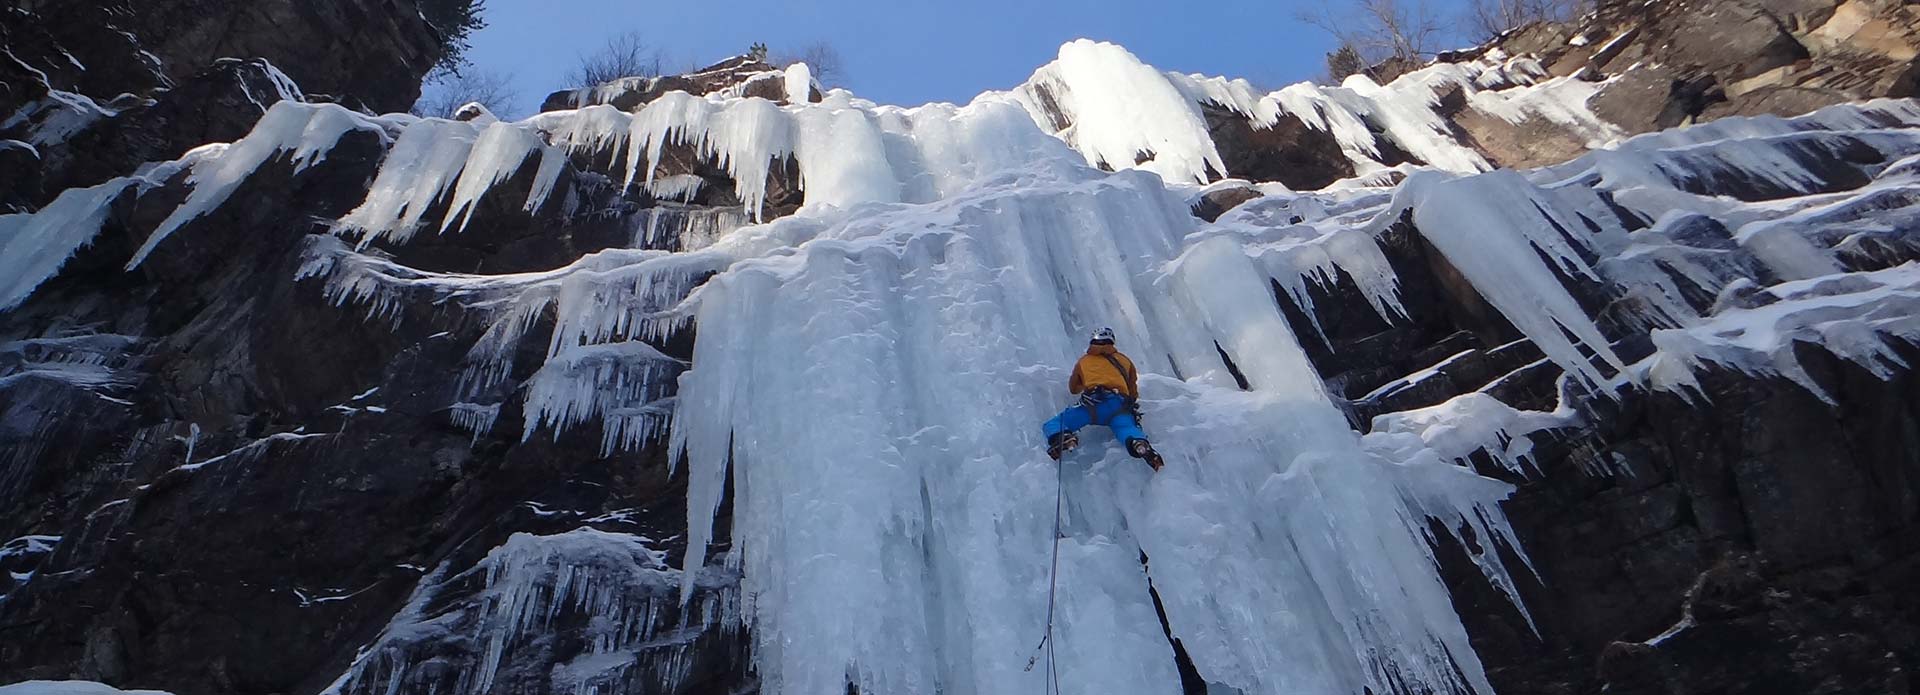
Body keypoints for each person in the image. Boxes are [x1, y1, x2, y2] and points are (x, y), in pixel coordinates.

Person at [1042, 327, 1165, 471]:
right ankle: (1139, 444)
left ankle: (1064, 437)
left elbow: (1073, 388)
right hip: (1120, 404)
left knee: (1055, 423)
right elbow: (1132, 389)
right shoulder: (1124, 360)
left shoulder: (1084, 361)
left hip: (1094, 403)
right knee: (1126, 428)